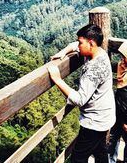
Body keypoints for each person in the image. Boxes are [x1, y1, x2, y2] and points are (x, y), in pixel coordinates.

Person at [48, 24, 115, 163]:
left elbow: (79, 99)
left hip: (95, 121)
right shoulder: (99, 52)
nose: (78, 45)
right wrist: (63, 51)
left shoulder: (94, 68)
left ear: (91, 43)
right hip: (105, 115)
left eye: (81, 43)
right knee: (100, 151)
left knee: (78, 158)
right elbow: (75, 45)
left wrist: (57, 79)